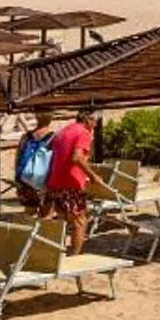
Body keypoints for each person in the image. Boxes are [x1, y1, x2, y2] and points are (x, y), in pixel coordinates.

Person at [44, 107, 97, 254]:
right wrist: (92, 176)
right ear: (87, 120)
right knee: (79, 221)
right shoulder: (84, 133)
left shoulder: (64, 130)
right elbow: (77, 157)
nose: (95, 125)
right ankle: (75, 256)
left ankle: (56, 253)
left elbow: (51, 150)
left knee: (62, 218)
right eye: (94, 121)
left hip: (55, 181)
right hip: (71, 182)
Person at [13, 113, 56, 212]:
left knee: (29, 211)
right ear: (51, 118)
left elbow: (18, 157)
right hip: (45, 180)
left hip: (25, 179)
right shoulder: (54, 137)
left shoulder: (26, 137)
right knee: (47, 212)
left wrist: (17, 179)